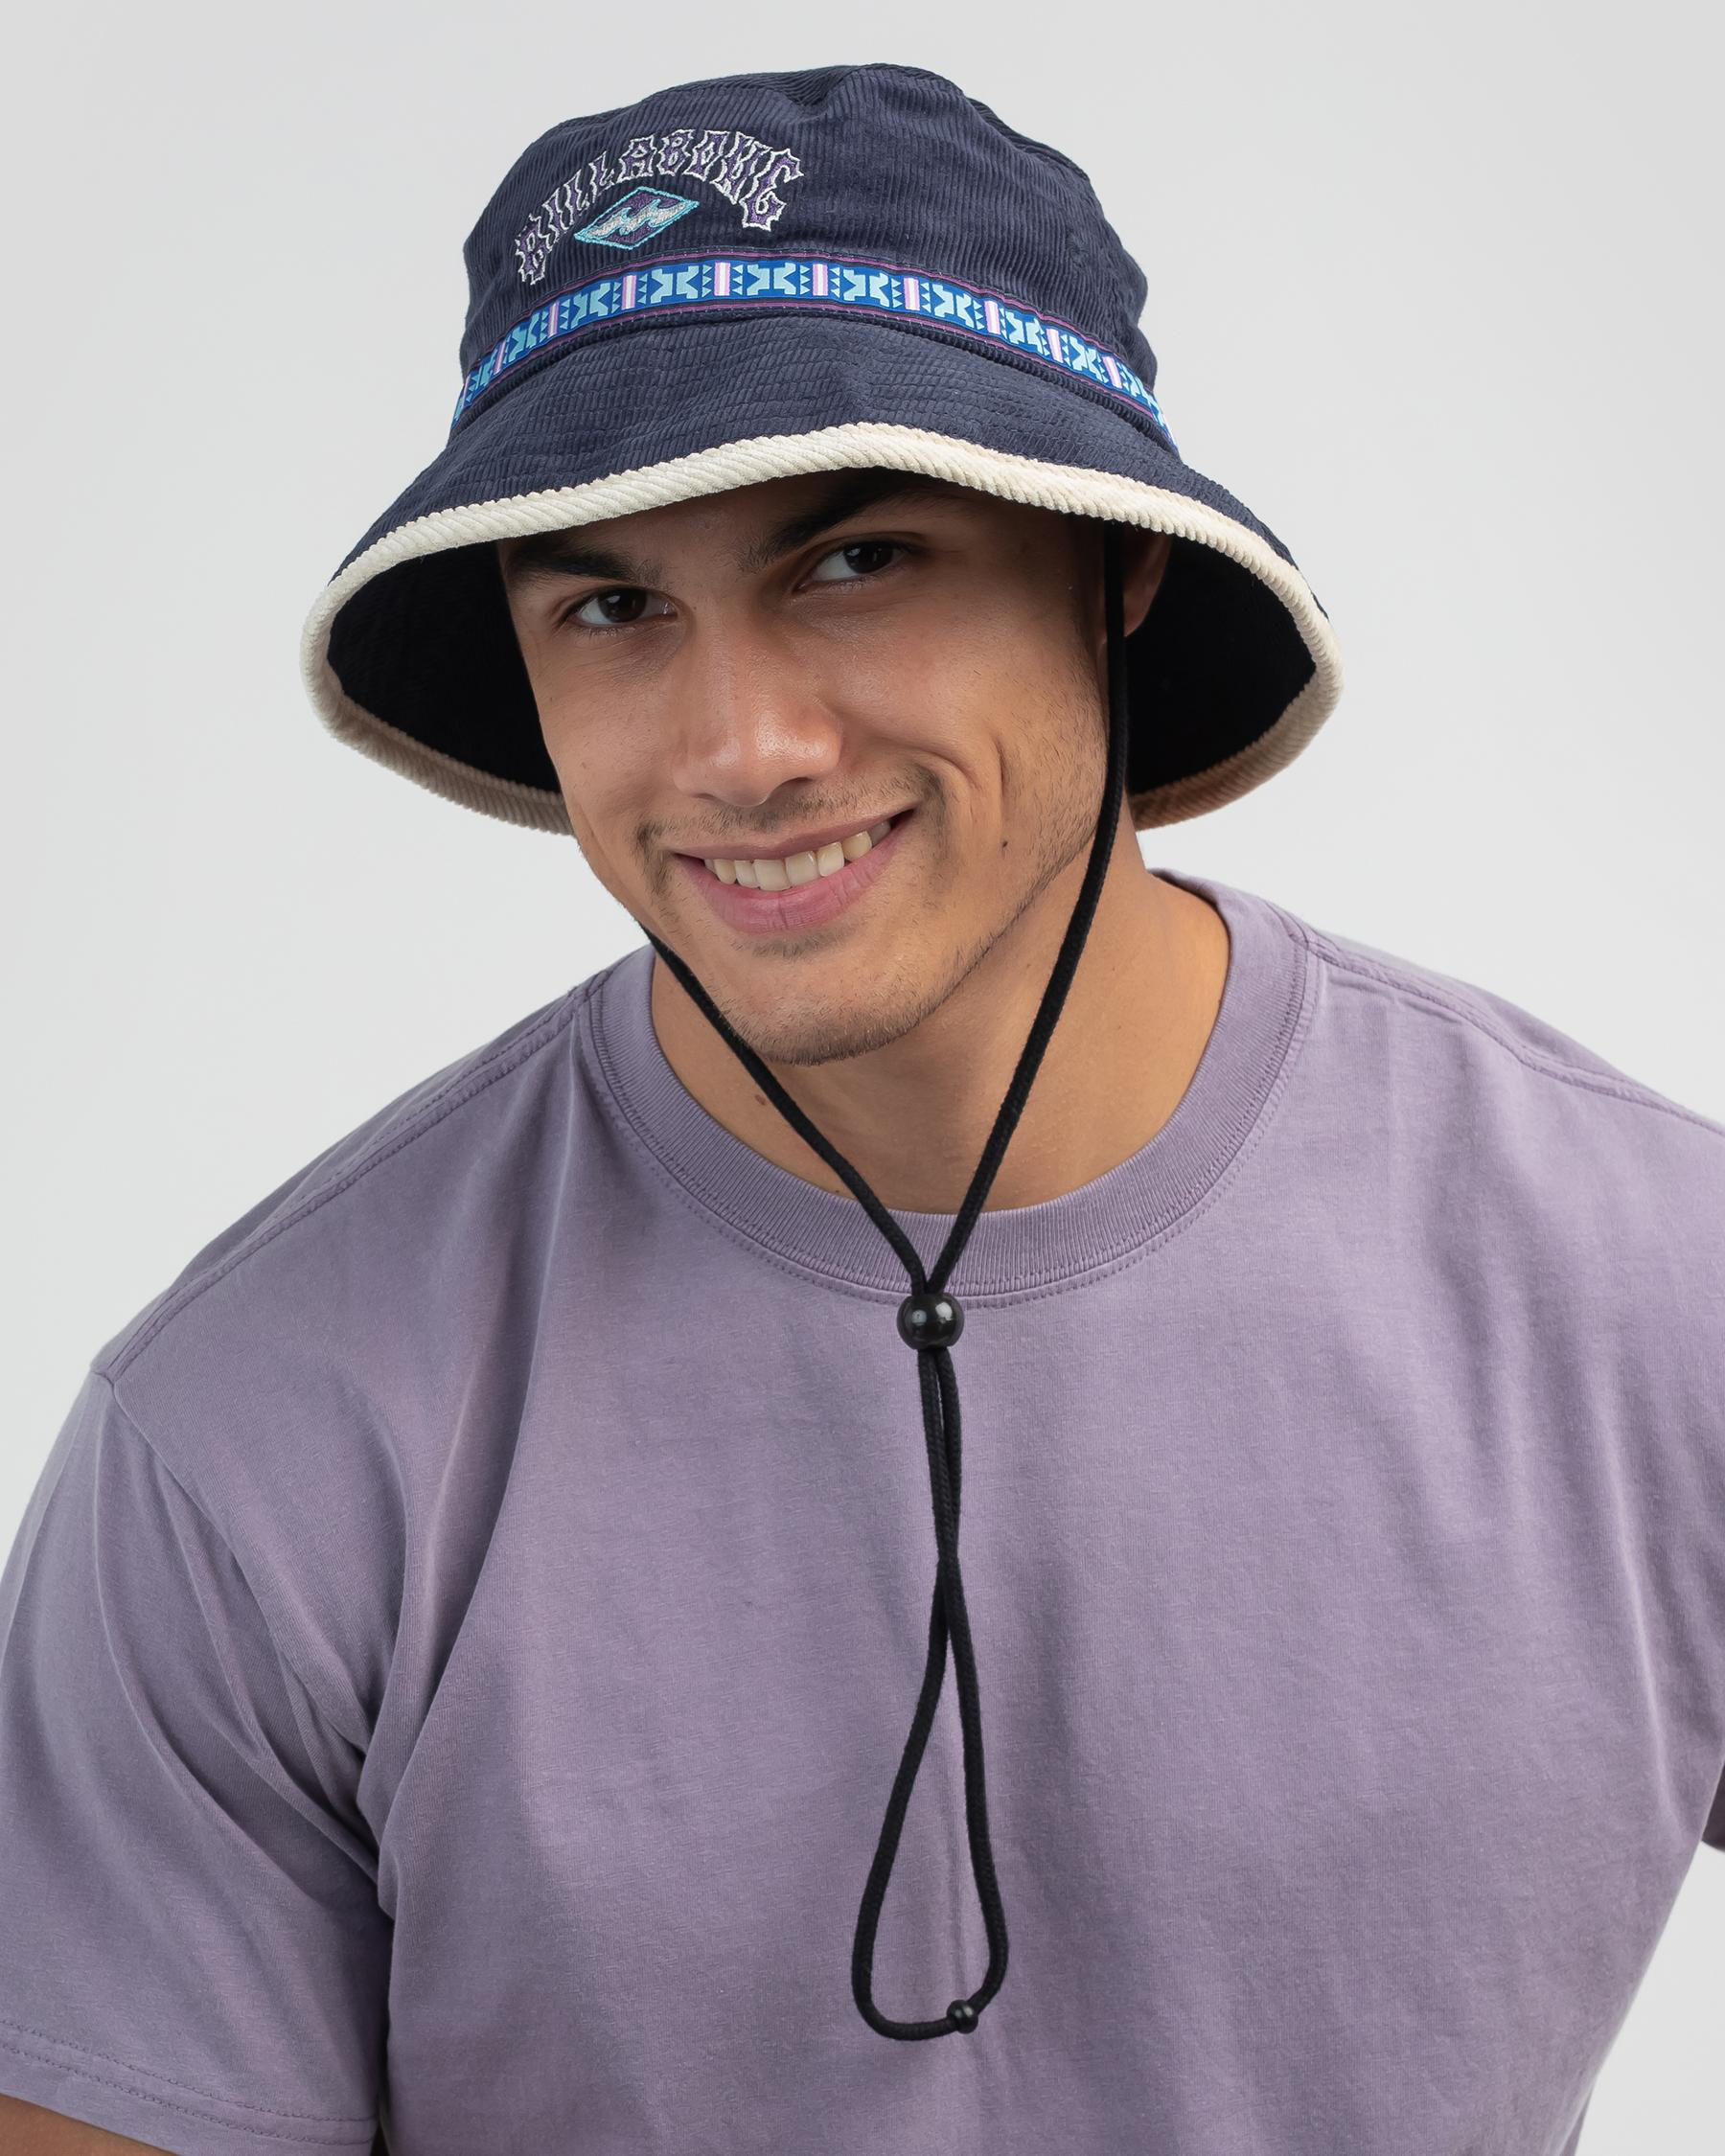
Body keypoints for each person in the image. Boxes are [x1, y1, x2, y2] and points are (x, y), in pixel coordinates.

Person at [1, 60, 1720, 2156]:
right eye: (612, 605)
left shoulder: (1653, 1292)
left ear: (1117, 563)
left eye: (857, 558)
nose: (742, 746)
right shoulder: (254, 1441)